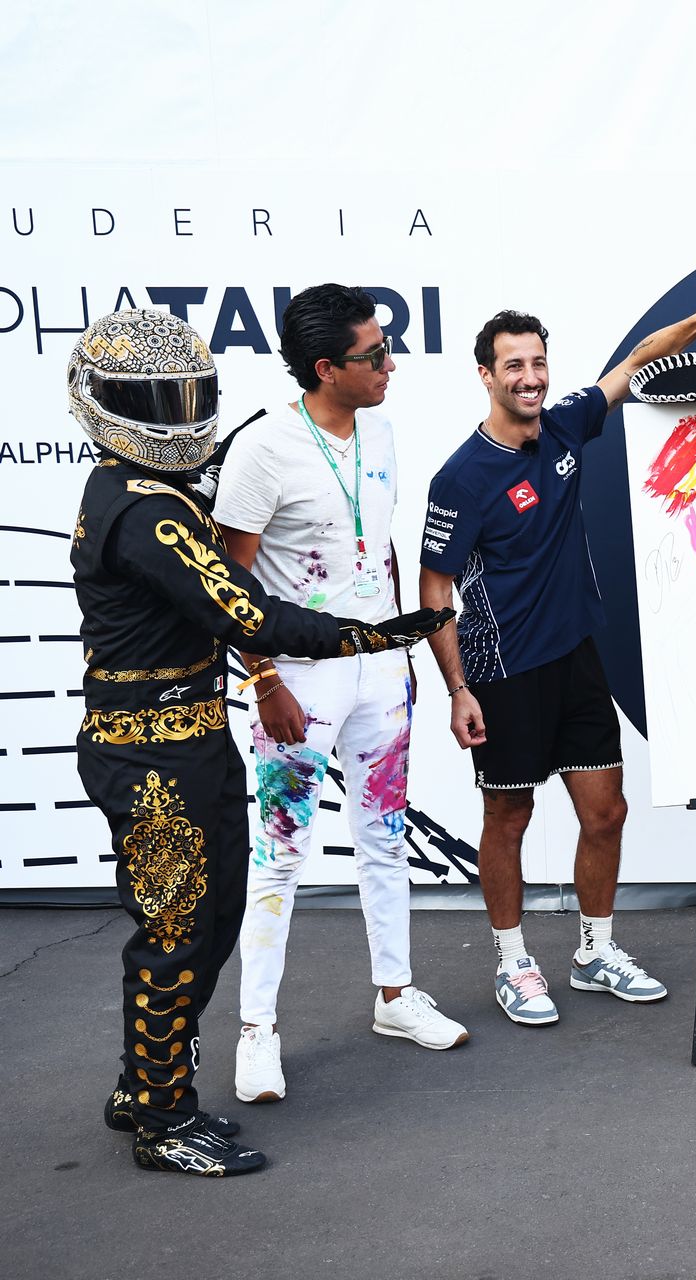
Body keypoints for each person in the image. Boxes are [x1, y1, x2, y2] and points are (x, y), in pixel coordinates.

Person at [69, 308, 452, 1176]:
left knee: (207, 921)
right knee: (177, 932)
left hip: (188, 740)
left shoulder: (144, 491)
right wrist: (366, 637)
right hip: (151, 755)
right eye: (159, 401)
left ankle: (144, 1086)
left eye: (187, 395)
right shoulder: (145, 513)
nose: (180, 416)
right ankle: (165, 1120)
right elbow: (250, 612)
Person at [419, 307, 696, 1026]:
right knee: (508, 816)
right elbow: (434, 592)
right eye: (513, 365)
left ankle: (594, 952)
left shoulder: (566, 426)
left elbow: (634, 365)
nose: (530, 377)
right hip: (504, 672)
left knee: (606, 813)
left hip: (576, 659)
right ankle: (513, 962)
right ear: (486, 375)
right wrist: (457, 690)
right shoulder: (460, 478)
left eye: (538, 362)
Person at [213, 284, 469, 1107]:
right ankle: (256, 1030)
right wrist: (263, 678)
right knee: (281, 852)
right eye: (373, 354)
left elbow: (380, 549)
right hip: (298, 678)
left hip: (378, 672)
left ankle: (395, 995)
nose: (390, 364)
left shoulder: (381, 430)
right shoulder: (263, 449)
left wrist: (402, 656)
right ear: (326, 369)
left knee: (384, 837)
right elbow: (230, 582)